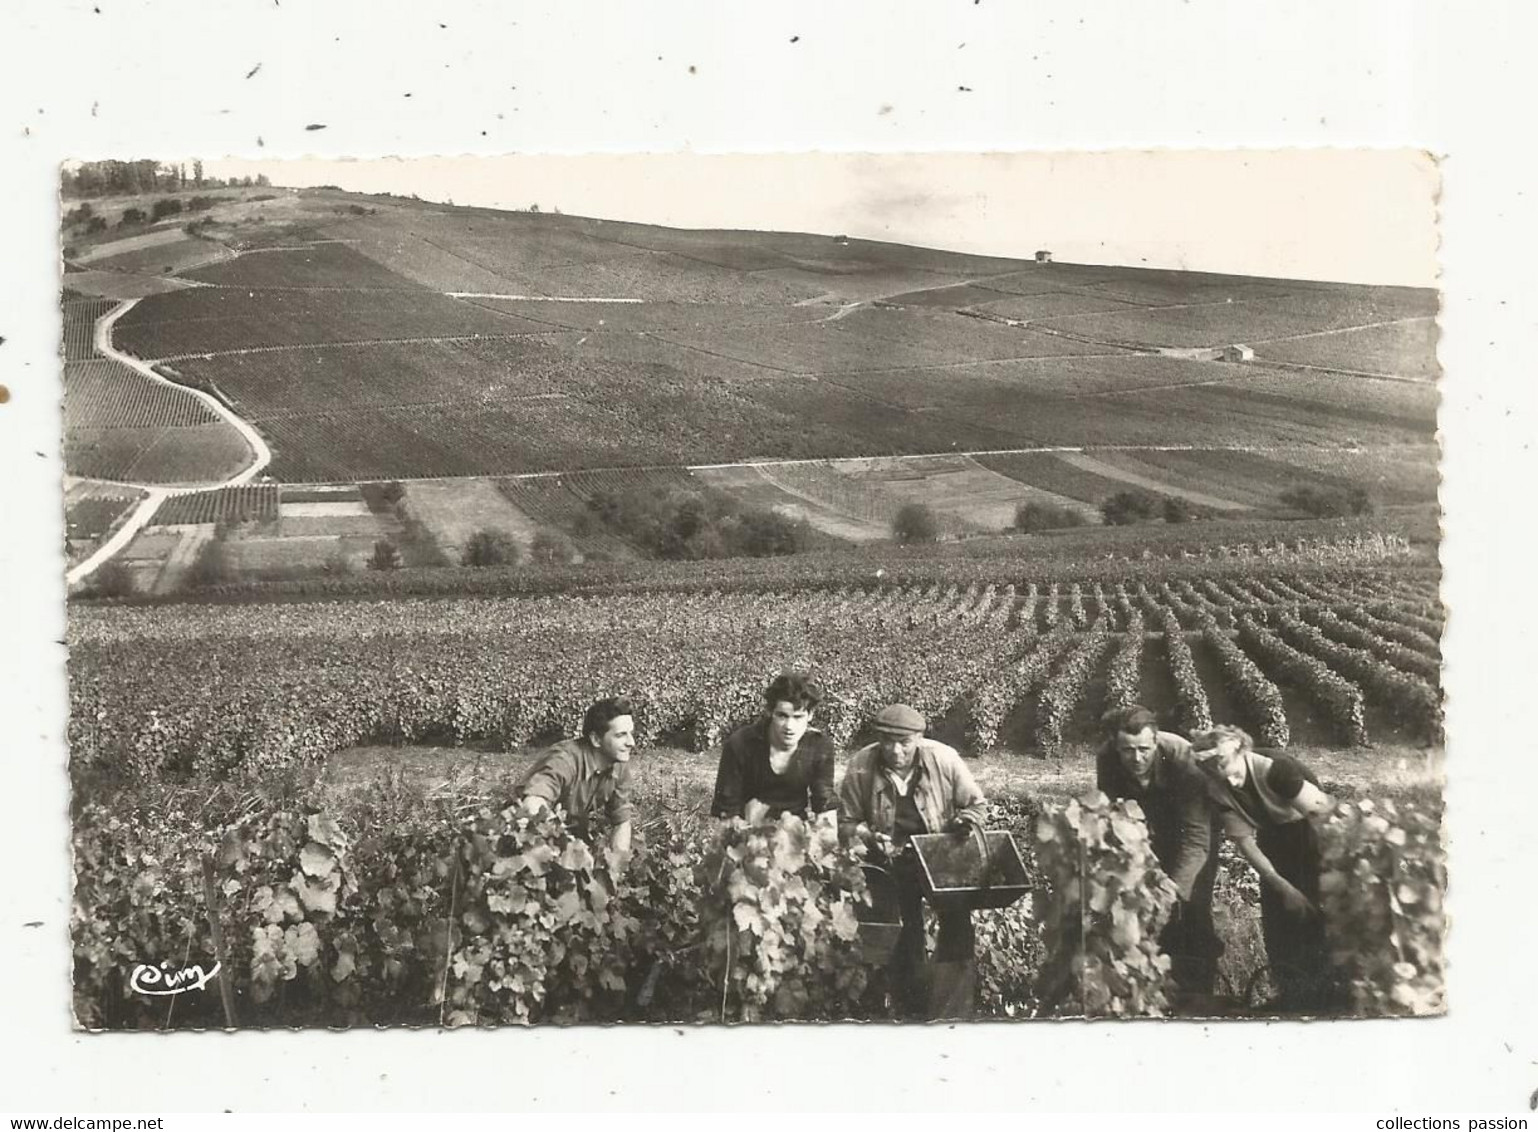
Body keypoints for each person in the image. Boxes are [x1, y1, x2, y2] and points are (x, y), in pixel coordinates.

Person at [839, 703, 988, 1019]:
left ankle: (952, 1013)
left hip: (940, 856)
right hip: (892, 861)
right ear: (879, 738)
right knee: (904, 934)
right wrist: (868, 836)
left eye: (904, 742)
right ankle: (912, 1010)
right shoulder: (861, 766)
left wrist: (962, 823)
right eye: (887, 741)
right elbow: (846, 820)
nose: (895, 751)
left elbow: (976, 804)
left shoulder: (943, 759)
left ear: (919, 739)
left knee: (957, 926)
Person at [1193, 725, 1341, 1013]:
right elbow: (1245, 842)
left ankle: (1326, 999)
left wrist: (1330, 871)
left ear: (1239, 749)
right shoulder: (1216, 785)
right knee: (1279, 915)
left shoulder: (1278, 771)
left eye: (1220, 762)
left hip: (1313, 835)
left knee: (1315, 914)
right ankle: (1290, 995)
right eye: (1209, 766)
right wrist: (1282, 886)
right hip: (1275, 836)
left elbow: (1325, 817)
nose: (1216, 770)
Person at [1095, 705, 1222, 997]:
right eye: (1127, 750)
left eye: (1144, 749)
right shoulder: (1106, 758)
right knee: (1143, 902)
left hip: (1192, 828)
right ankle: (1156, 986)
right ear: (1115, 745)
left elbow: (1196, 838)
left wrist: (1173, 890)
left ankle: (1199, 993)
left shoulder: (1183, 759)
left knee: (1190, 906)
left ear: (1155, 742)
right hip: (1146, 824)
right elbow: (1114, 816)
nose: (1136, 758)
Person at [516, 696, 637, 857]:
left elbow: (621, 821)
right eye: (621, 735)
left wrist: (617, 868)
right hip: (522, 831)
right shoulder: (565, 760)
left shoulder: (619, 764)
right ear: (595, 739)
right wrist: (570, 851)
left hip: (569, 829)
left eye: (631, 733)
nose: (631, 742)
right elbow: (532, 804)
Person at [710, 671, 836, 822]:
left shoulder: (819, 746)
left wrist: (827, 841)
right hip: (746, 832)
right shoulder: (741, 744)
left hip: (794, 832)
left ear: (810, 715)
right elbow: (727, 811)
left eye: (798, 717)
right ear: (770, 712)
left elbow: (825, 806)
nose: (789, 726)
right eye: (782, 716)